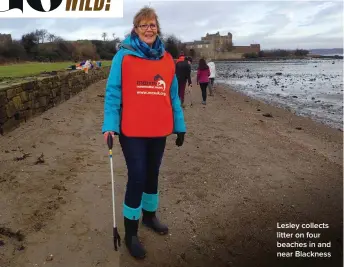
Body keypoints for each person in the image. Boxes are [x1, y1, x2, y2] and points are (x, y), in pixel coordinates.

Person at [101, 6, 186, 259]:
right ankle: (131, 232)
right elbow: (113, 93)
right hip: (133, 130)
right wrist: (109, 125)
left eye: (152, 25)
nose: (148, 29)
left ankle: (149, 216)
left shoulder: (167, 59)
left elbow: (173, 97)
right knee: (137, 175)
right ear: (135, 30)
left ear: (157, 28)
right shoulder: (123, 56)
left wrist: (179, 126)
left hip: (159, 129)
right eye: (143, 25)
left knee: (152, 174)